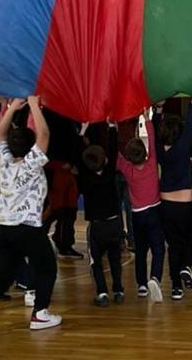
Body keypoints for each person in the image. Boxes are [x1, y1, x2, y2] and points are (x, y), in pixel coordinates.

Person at [0, 96, 61, 332]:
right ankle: (40, 314)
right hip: (26, 227)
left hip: (2, 226)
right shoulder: (32, 163)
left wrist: (12, 108)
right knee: (47, 266)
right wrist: (35, 104)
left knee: (4, 273)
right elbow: (44, 135)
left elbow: (0, 134)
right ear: (31, 147)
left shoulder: (4, 160)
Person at [153, 97, 192, 300]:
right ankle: (186, 266)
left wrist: (158, 110)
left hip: (165, 202)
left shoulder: (159, 149)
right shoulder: (182, 148)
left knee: (173, 244)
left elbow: (155, 128)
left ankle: (175, 286)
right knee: (190, 239)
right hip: (185, 203)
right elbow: (191, 122)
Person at [117, 109, 165, 303]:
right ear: (145, 153)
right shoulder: (152, 164)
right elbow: (152, 142)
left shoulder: (127, 169)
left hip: (137, 215)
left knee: (141, 250)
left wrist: (111, 125)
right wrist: (146, 119)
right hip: (154, 210)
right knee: (158, 248)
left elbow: (116, 154)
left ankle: (142, 285)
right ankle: (155, 277)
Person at [77, 121, 124, 307]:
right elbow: (113, 151)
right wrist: (112, 126)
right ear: (105, 160)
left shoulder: (85, 176)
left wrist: (82, 131)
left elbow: (78, 155)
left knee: (96, 261)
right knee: (115, 259)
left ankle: (102, 292)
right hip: (114, 223)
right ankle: (118, 290)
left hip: (97, 226)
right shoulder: (110, 172)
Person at [43, 160, 82, 258]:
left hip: (64, 170)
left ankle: (63, 243)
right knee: (56, 209)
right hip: (55, 170)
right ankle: (62, 245)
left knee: (68, 209)